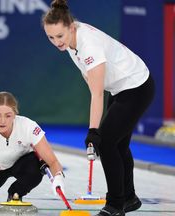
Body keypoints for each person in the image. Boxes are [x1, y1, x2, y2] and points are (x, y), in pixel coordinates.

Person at [42, 1, 155, 216]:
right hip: (120, 88)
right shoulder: (70, 41)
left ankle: (115, 205)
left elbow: (96, 93)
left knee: (107, 142)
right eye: (51, 37)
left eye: (59, 36)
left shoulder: (88, 45)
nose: (56, 42)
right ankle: (129, 198)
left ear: (71, 27)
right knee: (118, 144)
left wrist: (93, 132)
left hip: (136, 86)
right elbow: (92, 82)